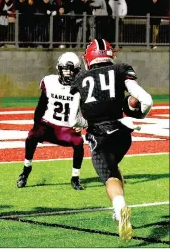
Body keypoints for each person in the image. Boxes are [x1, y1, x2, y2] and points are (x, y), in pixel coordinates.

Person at [68, 39, 153, 241]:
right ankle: (118, 209)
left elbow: (73, 119)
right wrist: (139, 114)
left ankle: (120, 207)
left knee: (109, 176)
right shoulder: (120, 70)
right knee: (114, 169)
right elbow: (146, 100)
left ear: (88, 59)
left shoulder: (80, 78)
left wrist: (85, 123)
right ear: (111, 55)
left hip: (99, 134)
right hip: (123, 133)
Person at [17, 52, 85, 190]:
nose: (67, 73)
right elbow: (41, 105)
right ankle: (26, 169)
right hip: (48, 124)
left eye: (71, 70)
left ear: (77, 71)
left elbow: (86, 108)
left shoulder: (82, 86)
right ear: (59, 69)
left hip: (67, 128)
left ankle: (75, 178)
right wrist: (37, 124)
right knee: (32, 136)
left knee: (78, 143)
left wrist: (82, 123)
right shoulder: (49, 81)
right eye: (65, 70)